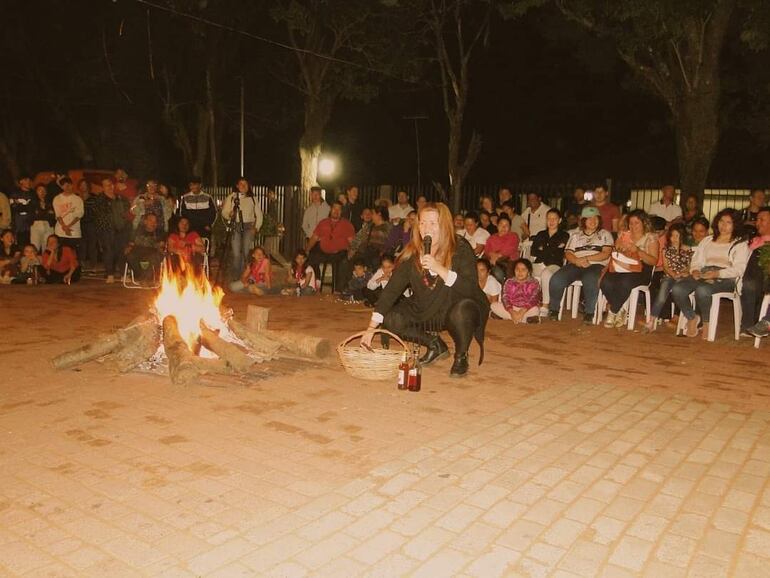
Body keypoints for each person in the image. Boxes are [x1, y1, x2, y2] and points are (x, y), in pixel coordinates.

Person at [360, 202, 489, 378]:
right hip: (427, 307)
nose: (426, 228)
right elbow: (391, 291)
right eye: (422, 222)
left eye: (432, 223)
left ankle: (461, 355)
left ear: (444, 225)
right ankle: (435, 344)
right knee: (392, 319)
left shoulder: (460, 247)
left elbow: (470, 288)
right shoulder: (412, 253)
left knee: (463, 310)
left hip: (456, 305)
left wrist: (440, 269)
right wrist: (371, 328)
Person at [672, 209, 750, 339]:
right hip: (704, 273)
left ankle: (706, 323)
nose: (723, 225)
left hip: (725, 277)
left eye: (728, 222)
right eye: (721, 221)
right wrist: (695, 270)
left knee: (703, 290)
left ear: (735, 225)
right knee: (677, 288)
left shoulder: (740, 243)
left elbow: (739, 269)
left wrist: (717, 273)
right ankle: (692, 317)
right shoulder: (707, 240)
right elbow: (696, 260)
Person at [547, 206, 614, 324]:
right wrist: (577, 261)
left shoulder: (605, 234)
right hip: (576, 264)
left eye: (595, 218)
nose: (592, 221)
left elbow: (605, 254)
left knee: (590, 279)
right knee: (557, 279)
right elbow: (568, 253)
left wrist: (586, 258)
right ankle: (553, 310)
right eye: (589, 219)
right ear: (583, 220)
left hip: (596, 265)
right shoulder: (575, 235)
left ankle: (589, 313)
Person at [599, 210, 660, 328]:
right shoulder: (624, 235)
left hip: (642, 268)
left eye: (636, 223)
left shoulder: (650, 237)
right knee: (605, 281)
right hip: (622, 266)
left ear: (644, 223)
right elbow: (615, 253)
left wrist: (638, 250)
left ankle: (613, 312)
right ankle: (620, 308)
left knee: (625, 282)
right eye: (631, 223)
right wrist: (620, 247)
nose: (633, 226)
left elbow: (653, 261)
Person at [645, 223, 692, 332]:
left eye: (677, 236)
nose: (674, 239)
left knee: (681, 292)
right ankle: (651, 320)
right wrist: (673, 274)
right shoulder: (666, 250)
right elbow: (665, 267)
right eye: (672, 236)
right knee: (661, 295)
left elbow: (689, 266)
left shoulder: (687, 249)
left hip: (683, 277)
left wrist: (682, 273)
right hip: (669, 276)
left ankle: (685, 320)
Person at [306, 202, 355, 292]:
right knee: (311, 256)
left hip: (340, 253)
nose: (336, 211)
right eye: (334, 208)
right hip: (324, 252)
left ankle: (339, 289)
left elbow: (352, 242)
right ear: (330, 210)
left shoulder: (347, 224)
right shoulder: (323, 223)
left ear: (341, 211)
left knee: (345, 262)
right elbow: (314, 238)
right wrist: (307, 250)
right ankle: (317, 280)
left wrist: (351, 252)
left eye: (338, 209)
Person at [221, 177, 264, 279]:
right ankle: (236, 276)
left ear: (248, 186)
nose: (243, 186)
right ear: (237, 186)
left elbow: (259, 214)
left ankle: (244, 276)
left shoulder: (253, 198)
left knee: (246, 253)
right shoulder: (232, 197)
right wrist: (229, 214)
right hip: (236, 226)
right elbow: (224, 212)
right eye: (241, 184)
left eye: (245, 184)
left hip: (248, 227)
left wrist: (256, 227)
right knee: (236, 254)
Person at [530, 208, 569, 316]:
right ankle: (526, 303)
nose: (551, 221)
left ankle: (545, 305)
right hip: (539, 263)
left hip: (554, 265)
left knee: (546, 273)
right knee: (523, 270)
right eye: (549, 219)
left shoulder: (564, 236)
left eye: (554, 219)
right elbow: (534, 250)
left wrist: (543, 249)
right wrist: (553, 248)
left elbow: (559, 253)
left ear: (560, 220)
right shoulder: (541, 234)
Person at [739, 207, 770, 335]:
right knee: (748, 283)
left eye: (762, 219)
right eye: (757, 219)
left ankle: (752, 324)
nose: (758, 223)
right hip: (746, 278)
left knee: (749, 283)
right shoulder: (754, 241)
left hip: (762, 280)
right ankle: (750, 325)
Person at [94, 178, 132, 284]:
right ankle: (110, 274)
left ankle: (123, 274)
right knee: (108, 252)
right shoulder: (99, 199)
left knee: (122, 252)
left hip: (121, 230)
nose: (109, 187)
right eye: (106, 185)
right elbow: (99, 216)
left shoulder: (120, 198)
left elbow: (127, 211)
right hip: (107, 231)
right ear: (102, 187)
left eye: (110, 184)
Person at [492, 258, 542, 323]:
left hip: (526, 309)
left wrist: (522, 311)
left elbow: (534, 299)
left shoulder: (534, 282)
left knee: (535, 310)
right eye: (517, 269)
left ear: (529, 272)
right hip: (512, 308)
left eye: (523, 270)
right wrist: (512, 312)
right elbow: (505, 298)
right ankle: (525, 319)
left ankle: (510, 318)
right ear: (514, 271)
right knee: (493, 305)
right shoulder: (509, 282)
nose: (520, 272)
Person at [125, 214, 165, 281]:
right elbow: (131, 244)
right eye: (151, 221)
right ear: (145, 221)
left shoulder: (159, 233)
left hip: (152, 254)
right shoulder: (137, 231)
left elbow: (161, 247)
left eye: (155, 222)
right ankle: (140, 276)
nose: (153, 223)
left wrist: (160, 247)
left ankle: (145, 278)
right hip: (138, 254)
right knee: (129, 256)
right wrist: (128, 248)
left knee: (154, 257)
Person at [484, 214, 520, 283]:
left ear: (510, 227)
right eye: (501, 224)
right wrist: (491, 255)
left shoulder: (513, 236)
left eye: (506, 225)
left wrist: (497, 256)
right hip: (493, 262)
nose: (503, 227)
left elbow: (509, 250)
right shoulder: (492, 237)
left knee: (497, 273)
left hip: (508, 263)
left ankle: (505, 289)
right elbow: (487, 250)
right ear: (497, 226)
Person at [178, 177, 216, 241]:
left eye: (194, 184)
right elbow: (182, 213)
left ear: (200, 185)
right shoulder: (185, 197)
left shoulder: (208, 197)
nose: (192, 187)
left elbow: (213, 213)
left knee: (204, 247)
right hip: (190, 228)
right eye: (191, 185)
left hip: (204, 228)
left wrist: (208, 224)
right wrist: (186, 226)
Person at [53, 177, 84, 252]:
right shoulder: (57, 198)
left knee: (73, 253)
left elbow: (79, 215)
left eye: (68, 185)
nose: (67, 187)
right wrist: (64, 226)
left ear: (72, 185)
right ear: (61, 186)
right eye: (64, 185)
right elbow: (58, 215)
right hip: (60, 231)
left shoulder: (77, 199)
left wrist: (68, 226)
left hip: (74, 231)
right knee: (61, 252)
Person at [79, 179, 100, 271]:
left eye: (85, 185)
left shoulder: (94, 197)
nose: (83, 187)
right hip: (80, 223)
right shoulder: (76, 198)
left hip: (91, 223)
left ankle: (93, 265)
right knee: (82, 245)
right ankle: (82, 264)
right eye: (81, 185)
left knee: (92, 245)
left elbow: (97, 211)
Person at [8, 175, 34, 247]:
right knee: (19, 243)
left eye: (29, 180)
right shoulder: (15, 193)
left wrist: (22, 206)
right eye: (26, 180)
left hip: (30, 223)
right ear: (20, 181)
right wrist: (24, 207)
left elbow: (33, 208)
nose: (28, 182)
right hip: (18, 223)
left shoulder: (33, 194)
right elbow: (13, 208)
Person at [29, 184, 56, 252]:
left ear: (46, 192)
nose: (42, 192)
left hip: (48, 225)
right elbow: (33, 216)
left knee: (48, 247)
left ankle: (47, 262)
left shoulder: (51, 202)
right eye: (39, 190)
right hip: (36, 225)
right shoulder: (32, 202)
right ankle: (34, 262)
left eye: (44, 190)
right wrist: (46, 213)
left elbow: (53, 215)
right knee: (35, 246)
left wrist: (42, 214)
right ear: (36, 192)